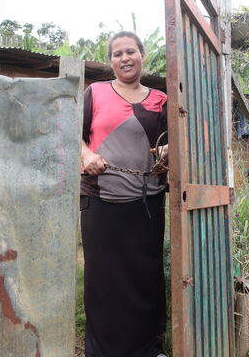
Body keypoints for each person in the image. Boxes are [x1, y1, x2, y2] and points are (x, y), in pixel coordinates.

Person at [80, 31, 169, 357]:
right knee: (103, 282)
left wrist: (167, 152)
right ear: (111, 61)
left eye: (130, 51)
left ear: (142, 55)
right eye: (118, 54)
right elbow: (73, 135)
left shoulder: (160, 99)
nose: (125, 58)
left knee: (145, 278)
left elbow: (171, 142)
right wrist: (87, 156)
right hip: (100, 203)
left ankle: (148, 349)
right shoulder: (96, 93)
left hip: (146, 204)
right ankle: (103, 351)